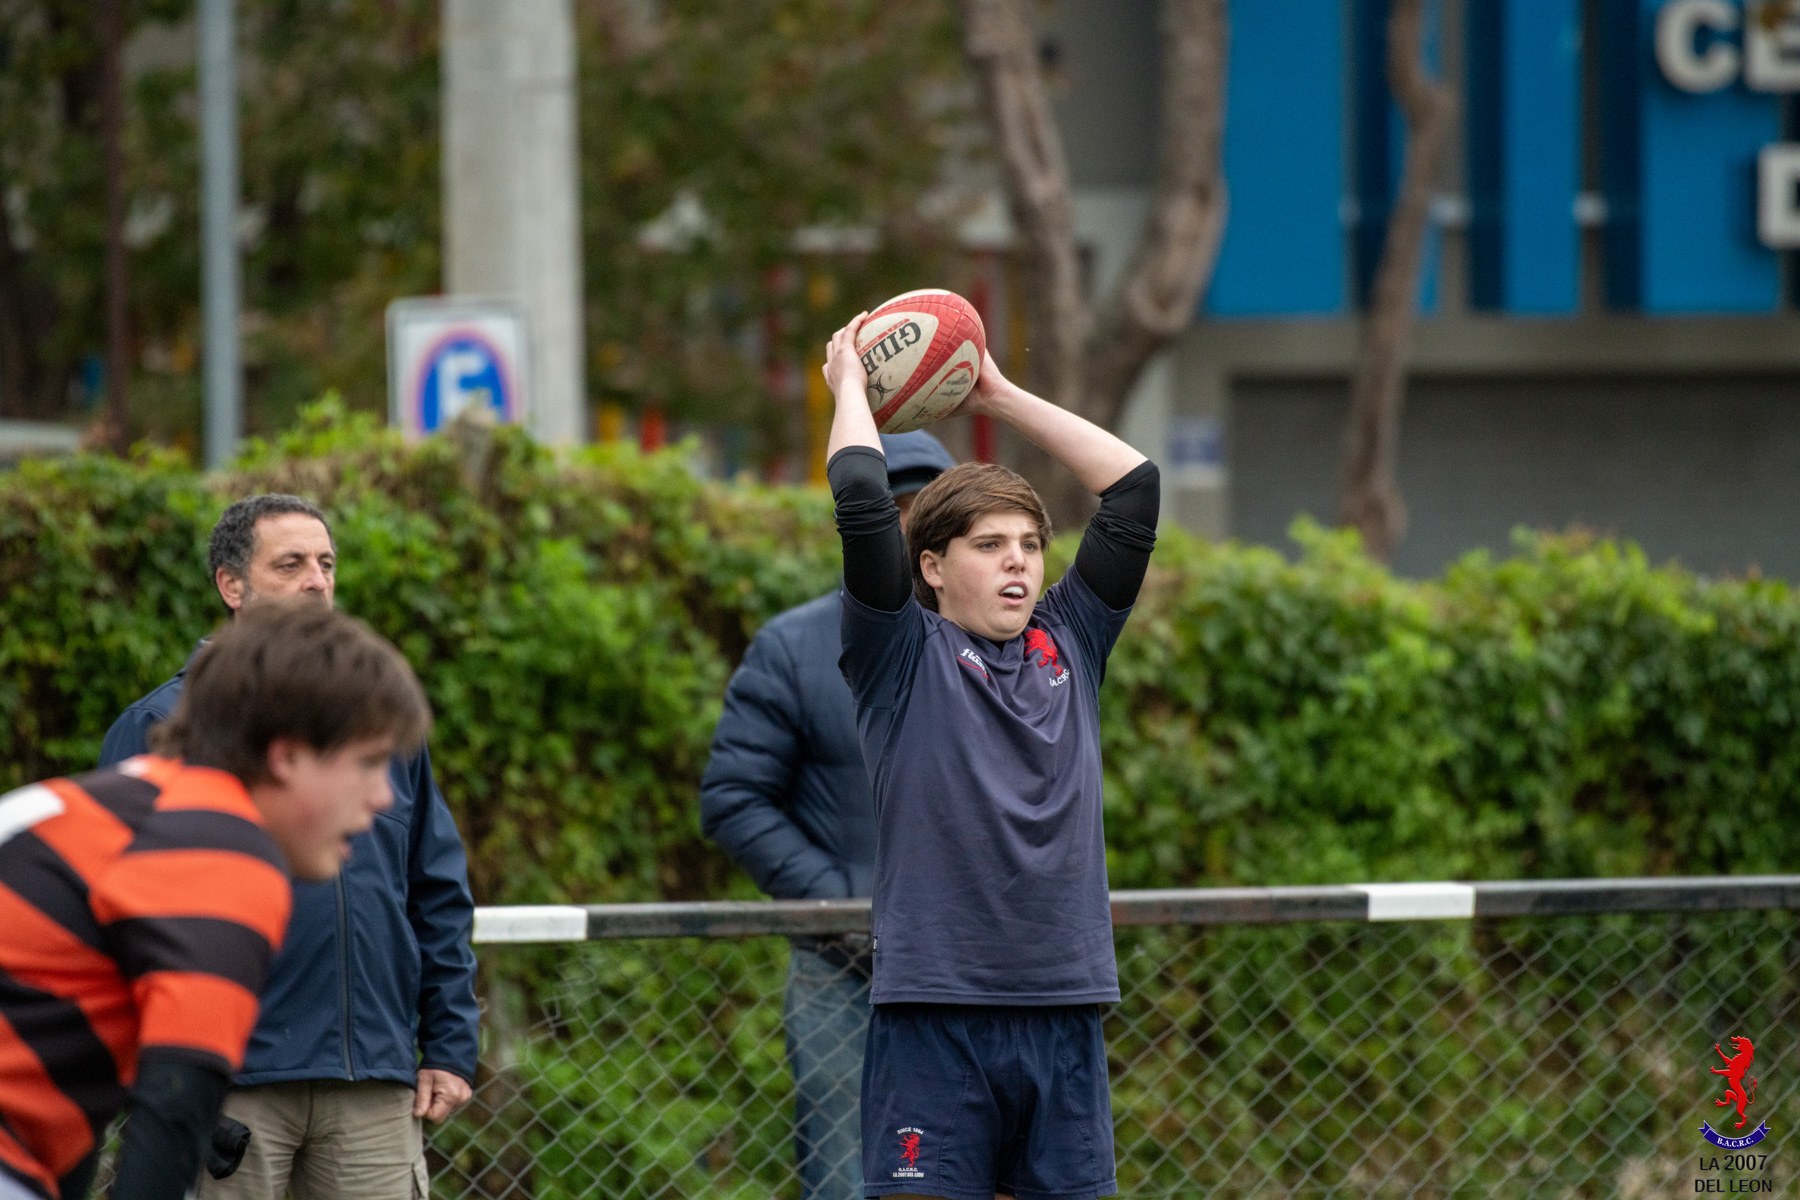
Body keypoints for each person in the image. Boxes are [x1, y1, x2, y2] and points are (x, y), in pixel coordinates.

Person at [821, 314, 1159, 1200]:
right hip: (936, 1018)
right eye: (988, 546)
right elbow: (861, 502)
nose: (1018, 565)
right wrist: (852, 389)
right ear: (931, 566)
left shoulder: (1071, 641)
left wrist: (997, 394)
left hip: (1064, 1013)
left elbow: (1133, 489)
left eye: (1030, 545)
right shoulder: (900, 655)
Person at [98, 495, 479, 1200]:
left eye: (327, 564)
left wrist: (451, 1045)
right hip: (228, 1087)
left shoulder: (382, 728)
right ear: (231, 585)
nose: (317, 581)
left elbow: (437, 891)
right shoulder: (161, 729)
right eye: (292, 564)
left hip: (372, 1084)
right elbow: (119, 918)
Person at [0, 600, 432, 1200]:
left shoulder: (136, 803)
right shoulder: (222, 853)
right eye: (368, 763)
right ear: (285, 757)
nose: (385, 796)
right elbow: (173, 1115)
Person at [701, 431, 957, 1200]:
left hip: (979, 968)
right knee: (852, 1179)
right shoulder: (794, 646)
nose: (908, 528)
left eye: (926, 511)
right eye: (893, 510)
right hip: (845, 977)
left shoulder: (996, 646)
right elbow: (734, 799)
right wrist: (840, 906)